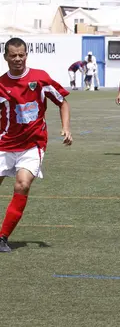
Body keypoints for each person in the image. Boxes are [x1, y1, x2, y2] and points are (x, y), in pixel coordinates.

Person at [0, 37, 73, 253]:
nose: (18, 59)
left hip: (33, 144)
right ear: (5, 57)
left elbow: (63, 102)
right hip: (5, 143)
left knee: (22, 184)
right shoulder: (1, 84)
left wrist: (66, 127)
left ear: (26, 55)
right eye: (13, 55)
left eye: (21, 55)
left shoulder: (40, 79)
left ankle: (2, 237)